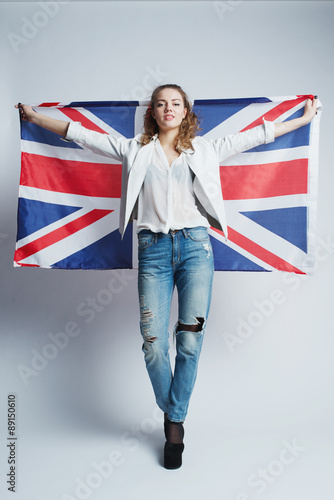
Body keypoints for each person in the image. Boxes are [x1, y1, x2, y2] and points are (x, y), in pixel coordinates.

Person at [15, 86, 318, 469]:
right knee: (154, 343)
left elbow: (256, 134)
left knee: (189, 342)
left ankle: (173, 424)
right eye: (161, 103)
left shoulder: (206, 149)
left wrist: (302, 119)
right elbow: (82, 135)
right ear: (153, 112)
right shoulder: (135, 149)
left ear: (186, 110)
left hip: (195, 249)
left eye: (175, 103)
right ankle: (174, 410)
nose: (168, 108)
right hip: (153, 252)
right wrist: (36, 117)